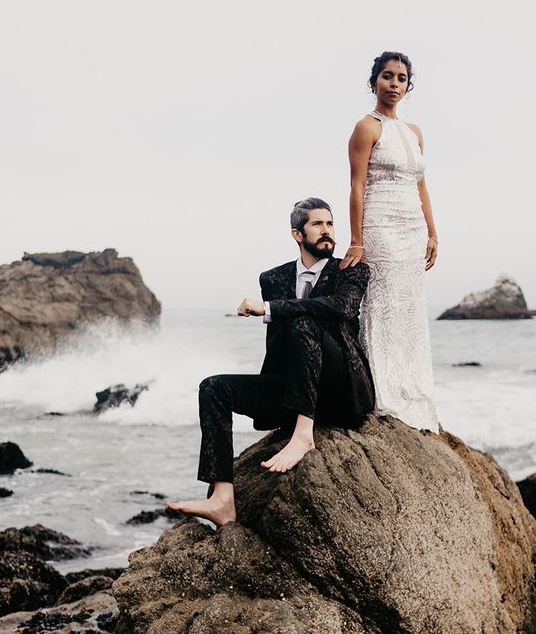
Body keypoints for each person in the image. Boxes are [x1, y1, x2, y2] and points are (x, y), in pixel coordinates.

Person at [168, 198, 375, 526]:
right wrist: (271, 403)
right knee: (213, 388)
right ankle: (221, 497)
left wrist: (270, 308)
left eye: (330, 224)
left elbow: (342, 308)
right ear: (297, 234)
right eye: (317, 225)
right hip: (292, 383)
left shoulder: (350, 268)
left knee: (302, 319)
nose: (327, 232)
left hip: (341, 390)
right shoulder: (273, 278)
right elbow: (276, 343)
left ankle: (303, 435)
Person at [340, 51, 440, 433]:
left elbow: (422, 185)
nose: (394, 84)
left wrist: (432, 232)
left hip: (413, 228)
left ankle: (411, 390)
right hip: (380, 224)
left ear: (408, 86)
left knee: (410, 311)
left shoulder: (415, 133)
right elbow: (357, 185)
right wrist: (357, 240)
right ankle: (380, 392)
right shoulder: (367, 127)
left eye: (401, 78)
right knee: (382, 306)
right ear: (374, 83)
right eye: (387, 76)